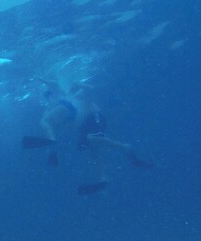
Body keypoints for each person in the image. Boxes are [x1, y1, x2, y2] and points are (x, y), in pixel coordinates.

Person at [22, 79, 152, 195]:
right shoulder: (68, 99)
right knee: (93, 151)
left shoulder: (81, 94)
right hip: (85, 125)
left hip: (95, 117)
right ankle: (104, 178)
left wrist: (78, 83)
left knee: (92, 139)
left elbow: (90, 88)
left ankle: (125, 147)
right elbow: (58, 96)